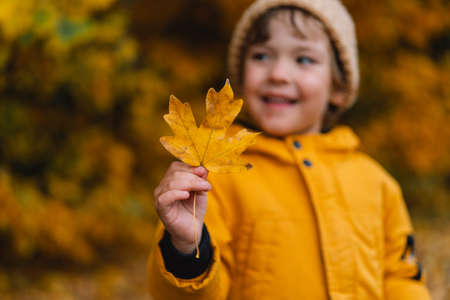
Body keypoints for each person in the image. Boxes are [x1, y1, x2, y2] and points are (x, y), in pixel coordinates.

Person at [148, 0, 431, 299]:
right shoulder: (210, 179)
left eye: (304, 59)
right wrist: (187, 249)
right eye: (261, 56)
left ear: (338, 86)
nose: (279, 74)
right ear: (242, 77)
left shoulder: (376, 184)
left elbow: (402, 278)